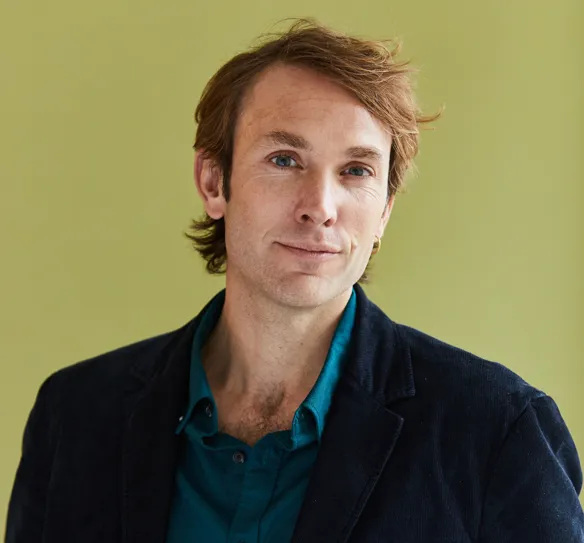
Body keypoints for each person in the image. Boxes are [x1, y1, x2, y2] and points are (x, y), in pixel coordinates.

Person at [6, 18, 584, 543]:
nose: (321, 207)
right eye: (285, 159)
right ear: (213, 182)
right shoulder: (74, 416)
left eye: (356, 170)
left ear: (384, 211)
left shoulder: (497, 431)